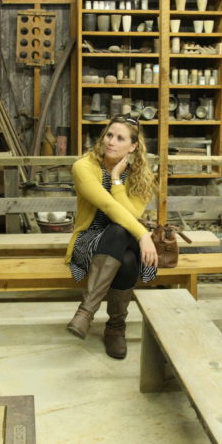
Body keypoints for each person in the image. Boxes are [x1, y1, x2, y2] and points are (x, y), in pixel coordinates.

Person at [65, 115, 158, 359]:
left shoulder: (142, 176)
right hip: (91, 240)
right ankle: (115, 328)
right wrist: (144, 236)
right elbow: (109, 208)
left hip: (126, 236)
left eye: (120, 138)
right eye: (109, 135)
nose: (111, 142)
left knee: (121, 237)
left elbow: (129, 215)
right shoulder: (84, 167)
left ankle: (88, 314)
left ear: (133, 146)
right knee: (123, 247)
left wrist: (117, 179)